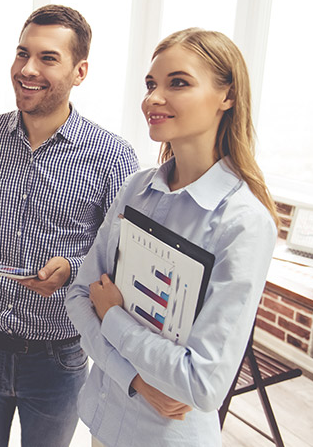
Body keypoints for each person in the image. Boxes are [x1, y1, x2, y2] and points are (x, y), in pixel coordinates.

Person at [0, 5, 139, 447]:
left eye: (48, 58)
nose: (27, 69)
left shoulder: (113, 156)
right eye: (22, 53)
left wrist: (74, 268)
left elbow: (124, 256)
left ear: (79, 71)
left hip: (59, 357)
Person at [65, 28, 279, 447]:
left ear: (228, 96)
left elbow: (201, 384)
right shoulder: (135, 190)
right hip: (103, 421)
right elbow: (77, 297)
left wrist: (112, 315)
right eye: (151, 84)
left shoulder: (243, 224)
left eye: (177, 83)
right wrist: (138, 380)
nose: (153, 98)